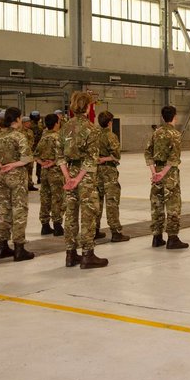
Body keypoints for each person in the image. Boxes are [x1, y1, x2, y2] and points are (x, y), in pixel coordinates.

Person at [60, 91, 109, 269]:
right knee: (88, 214)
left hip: (69, 174)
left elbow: (60, 156)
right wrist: (79, 178)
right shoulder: (91, 128)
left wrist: (68, 177)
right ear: (87, 107)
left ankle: (70, 254)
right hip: (85, 176)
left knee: (70, 214)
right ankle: (87, 254)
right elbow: (91, 158)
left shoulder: (65, 127)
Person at [0, 107, 35, 261]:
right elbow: (27, 158)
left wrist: (1, 166)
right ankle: (19, 248)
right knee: (19, 211)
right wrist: (13, 165)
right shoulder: (19, 136)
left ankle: (2, 246)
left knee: (3, 210)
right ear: (17, 119)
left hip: (2, 177)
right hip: (17, 178)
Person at [146, 105, 187, 249]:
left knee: (157, 204)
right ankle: (172, 238)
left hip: (156, 171)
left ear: (163, 117)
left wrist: (155, 173)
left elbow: (148, 153)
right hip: (169, 174)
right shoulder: (175, 134)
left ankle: (157, 237)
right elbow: (174, 157)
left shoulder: (156, 133)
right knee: (173, 205)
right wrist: (163, 173)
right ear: (174, 116)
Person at [94, 111, 130, 242]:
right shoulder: (111, 136)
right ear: (109, 122)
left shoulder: (93, 134)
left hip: (95, 172)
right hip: (109, 172)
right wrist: (105, 159)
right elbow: (116, 156)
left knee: (96, 202)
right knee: (112, 202)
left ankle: (94, 230)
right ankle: (116, 232)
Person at [35, 113, 64, 236]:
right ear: (56, 123)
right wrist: (52, 163)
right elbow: (62, 156)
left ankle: (45, 225)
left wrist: (43, 163)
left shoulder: (43, 137)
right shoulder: (58, 138)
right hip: (56, 172)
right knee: (57, 198)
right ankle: (57, 225)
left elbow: (35, 155)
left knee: (45, 198)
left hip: (44, 172)